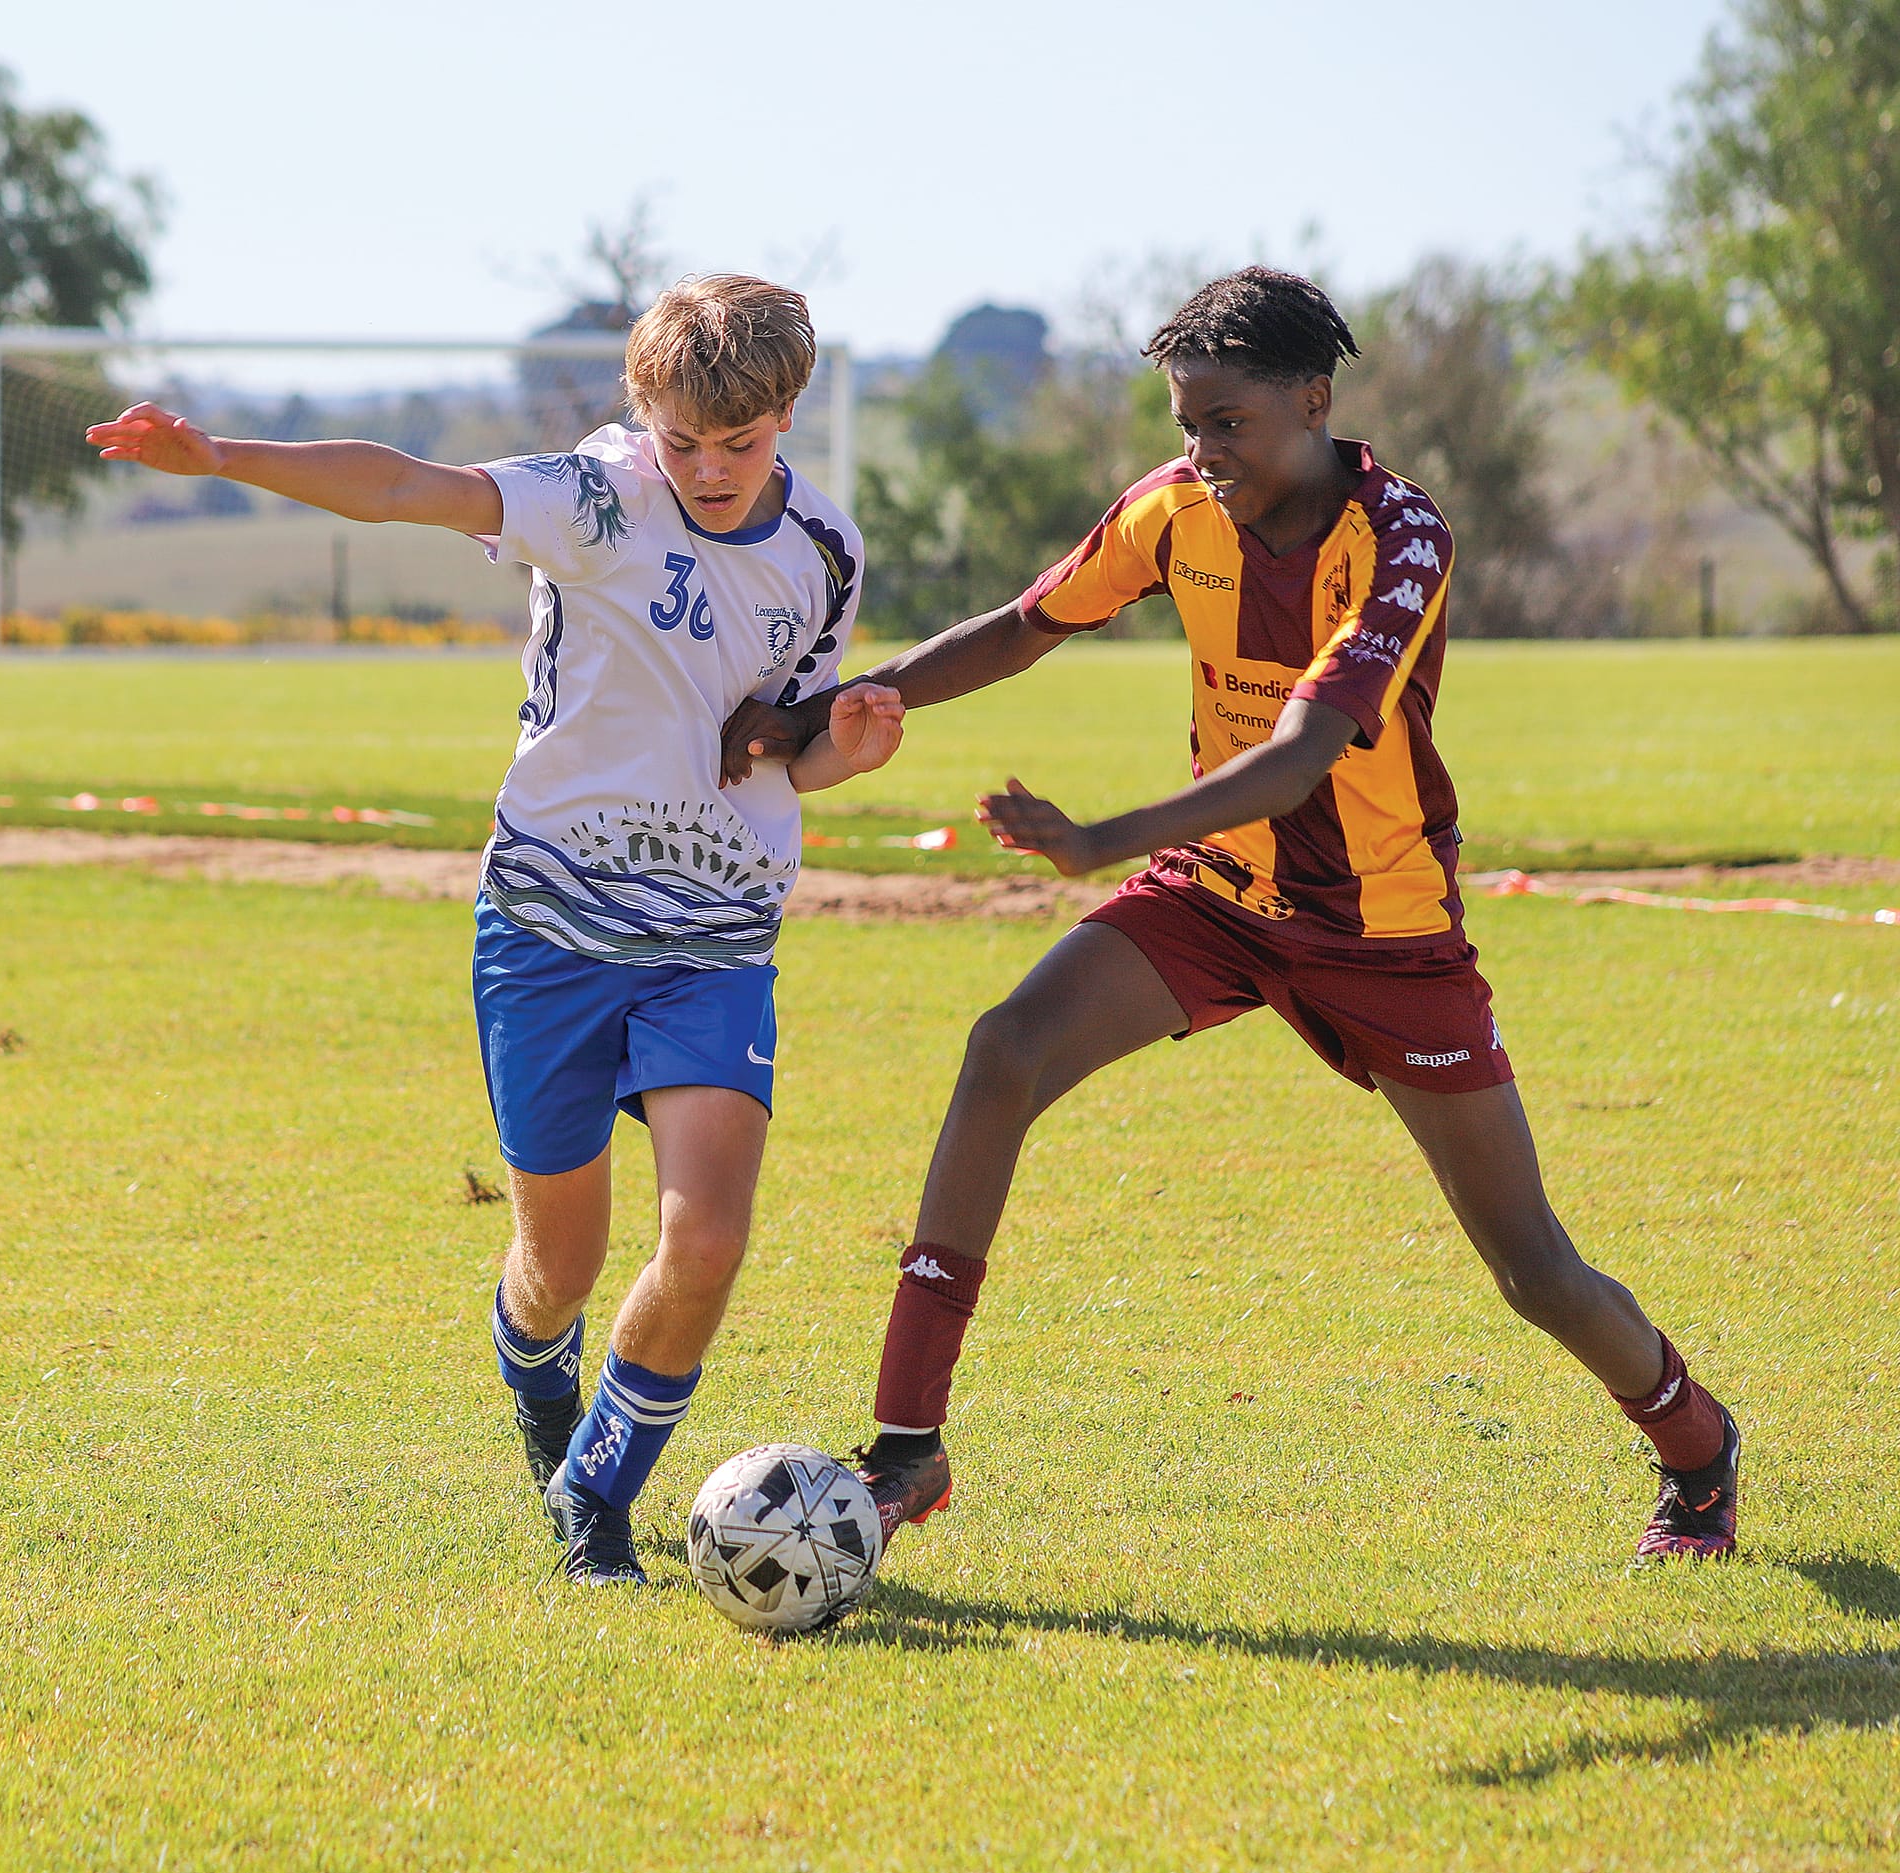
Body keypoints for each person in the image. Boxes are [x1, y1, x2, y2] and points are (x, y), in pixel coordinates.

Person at [722, 267, 1740, 1565]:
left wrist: (1099, 841)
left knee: (1534, 1270)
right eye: (1187, 423)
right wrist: (826, 709)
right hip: (1217, 891)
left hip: (1383, 934)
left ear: (1314, 400)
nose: (1203, 452)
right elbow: (1025, 626)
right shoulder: (1172, 511)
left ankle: (1697, 1446)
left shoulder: (1400, 537)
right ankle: (908, 1448)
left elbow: (1303, 755)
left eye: (1229, 423)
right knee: (1004, 1050)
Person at [89, 275, 905, 1585]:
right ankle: (537, 1372)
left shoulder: (827, 550)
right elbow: (403, 484)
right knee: (559, 1265)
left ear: (788, 415)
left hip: (715, 937)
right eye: (682, 441)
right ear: (642, 414)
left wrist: (840, 755)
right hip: (549, 925)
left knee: (704, 1242)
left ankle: (596, 1496)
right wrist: (222, 456)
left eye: (739, 444)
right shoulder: (595, 498)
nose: (708, 469)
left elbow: (778, 743)